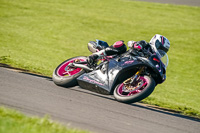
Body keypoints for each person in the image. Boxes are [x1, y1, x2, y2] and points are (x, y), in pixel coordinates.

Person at [87, 34, 170, 64]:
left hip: (130, 64)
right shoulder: (145, 44)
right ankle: (95, 56)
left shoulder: (153, 58)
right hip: (122, 57)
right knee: (121, 46)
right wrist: (136, 45)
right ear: (156, 43)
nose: (161, 52)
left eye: (164, 51)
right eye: (161, 48)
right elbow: (130, 42)